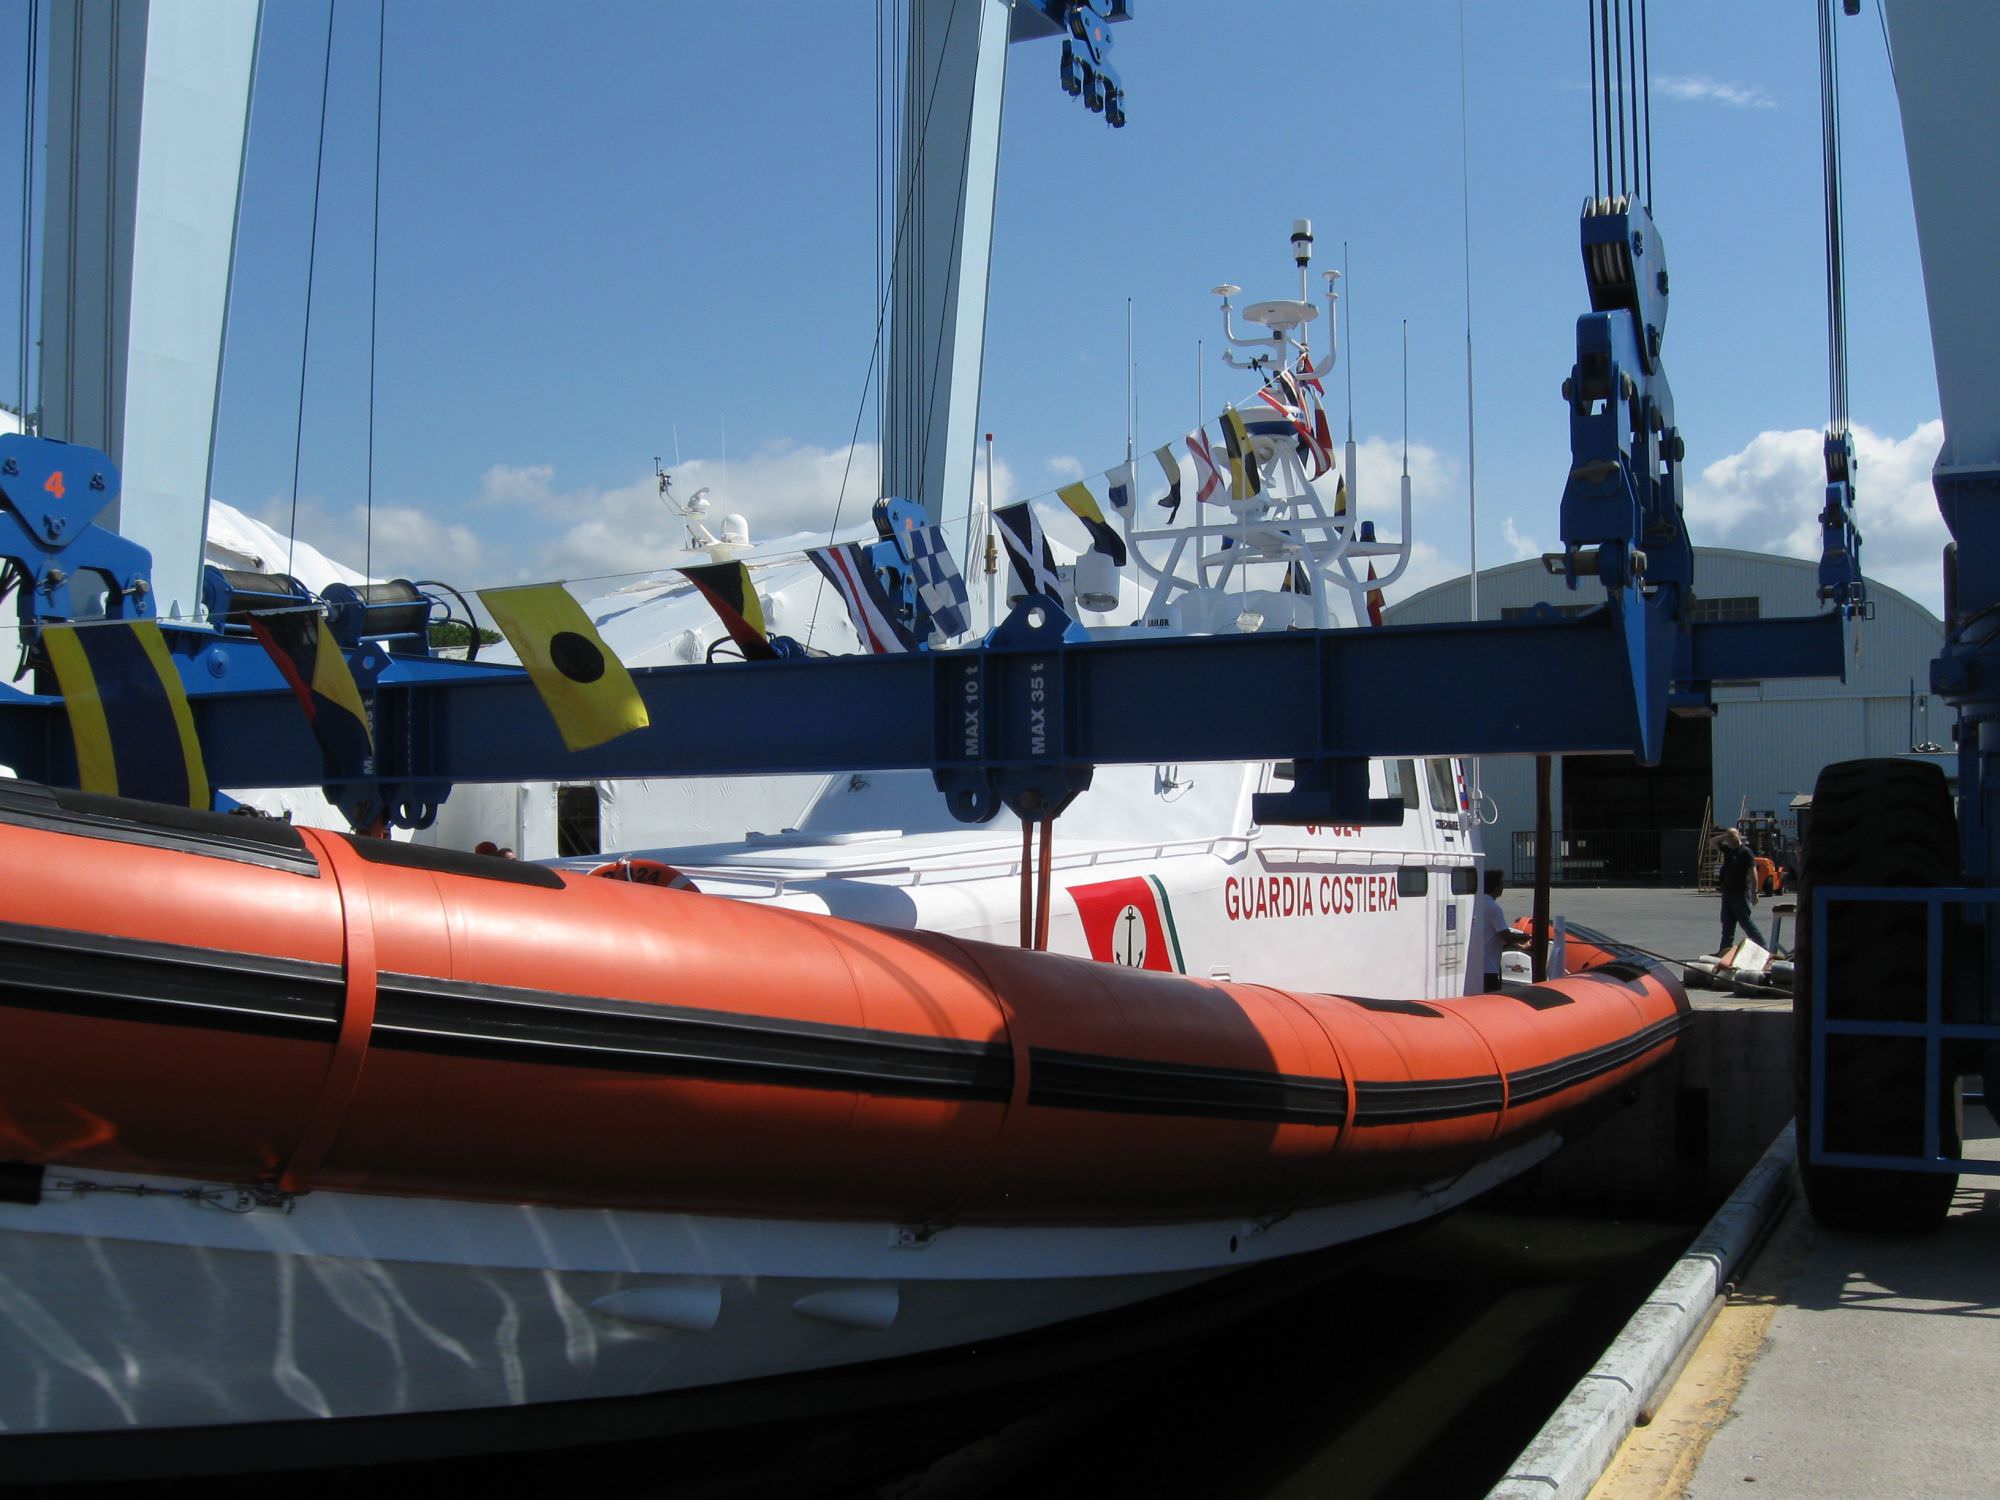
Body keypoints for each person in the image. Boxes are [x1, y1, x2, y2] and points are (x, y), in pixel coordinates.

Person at [1466, 869, 1530, 995]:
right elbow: (1505, 935)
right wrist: (1525, 937)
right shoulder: (1493, 907)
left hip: (1474, 967)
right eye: (1501, 884)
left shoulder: (1475, 903)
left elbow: (1492, 935)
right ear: (1496, 887)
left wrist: (1517, 944)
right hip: (1488, 967)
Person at [1714, 827, 1767, 953]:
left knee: (1745, 922)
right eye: (1729, 837)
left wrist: (1755, 892)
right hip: (1727, 892)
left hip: (1740, 893)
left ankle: (1763, 948)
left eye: (1733, 836)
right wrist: (1724, 836)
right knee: (1727, 924)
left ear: (1739, 836)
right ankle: (1724, 950)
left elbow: (1753, 872)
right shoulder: (1728, 850)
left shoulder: (1745, 852)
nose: (1731, 839)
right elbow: (1713, 842)